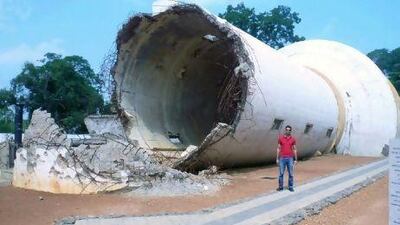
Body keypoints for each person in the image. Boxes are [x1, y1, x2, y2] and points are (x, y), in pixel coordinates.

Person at [276, 125, 298, 192]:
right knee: (281, 173)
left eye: (289, 130)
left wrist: (295, 159)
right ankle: (280, 187)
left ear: (290, 131)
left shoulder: (293, 139)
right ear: (285, 130)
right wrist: (277, 158)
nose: (288, 131)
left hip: (290, 158)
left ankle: (290, 187)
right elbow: (278, 148)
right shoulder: (280, 138)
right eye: (287, 129)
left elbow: (294, 149)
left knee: (291, 173)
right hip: (282, 158)